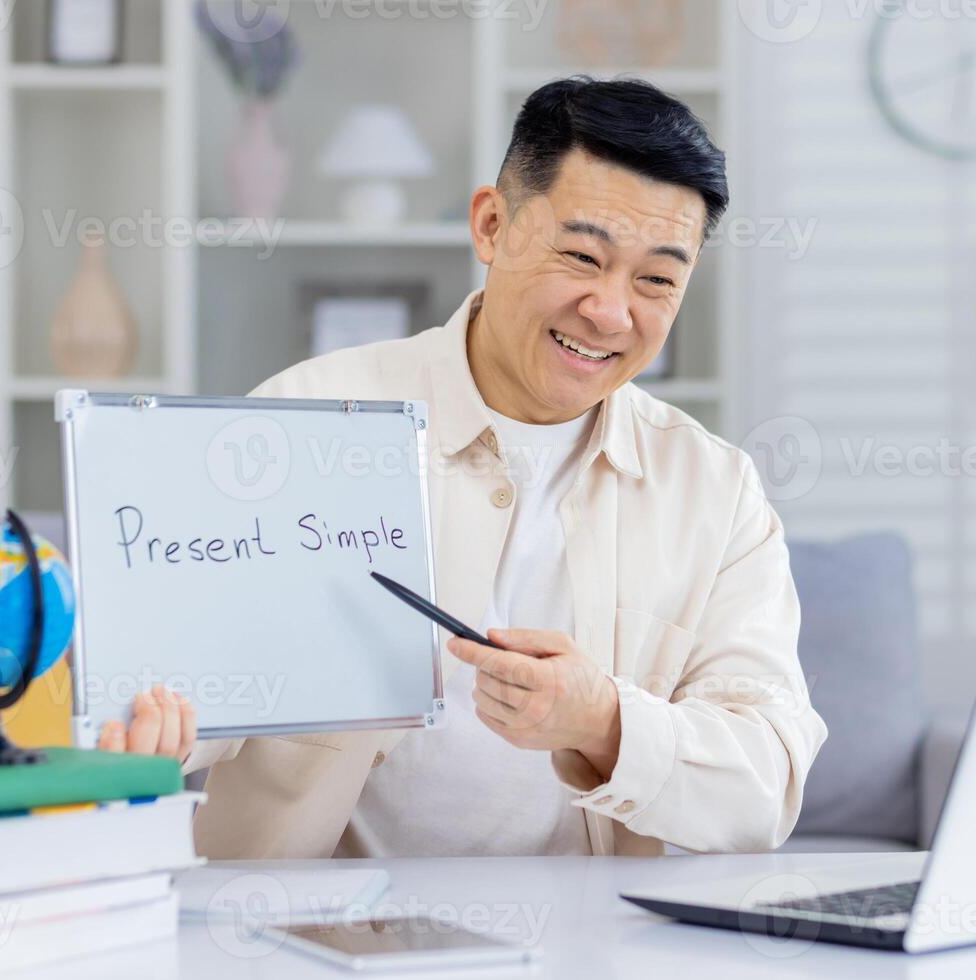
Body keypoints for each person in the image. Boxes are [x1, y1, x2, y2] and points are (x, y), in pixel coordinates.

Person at [98, 77, 827, 858]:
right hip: (309, 934)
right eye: (583, 255)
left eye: (655, 280)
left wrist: (603, 722)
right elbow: (192, 678)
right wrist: (155, 731)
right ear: (491, 226)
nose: (611, 312)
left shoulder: (715, 491)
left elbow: (766, 782)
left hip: (595, 947)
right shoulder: (302, 417)